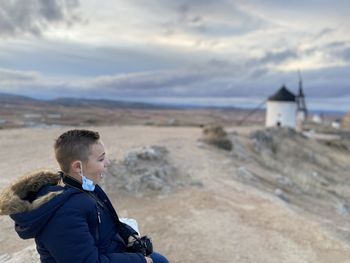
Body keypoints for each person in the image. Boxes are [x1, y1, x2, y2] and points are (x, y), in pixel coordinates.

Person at [0, 129, 169, 263]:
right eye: (101, 159)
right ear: (78, 167)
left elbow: (110, 224)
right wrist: (140, 260)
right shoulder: (63, 212)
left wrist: (130, 235)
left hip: (108, 252)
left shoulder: (86, 187)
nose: (107, 163)